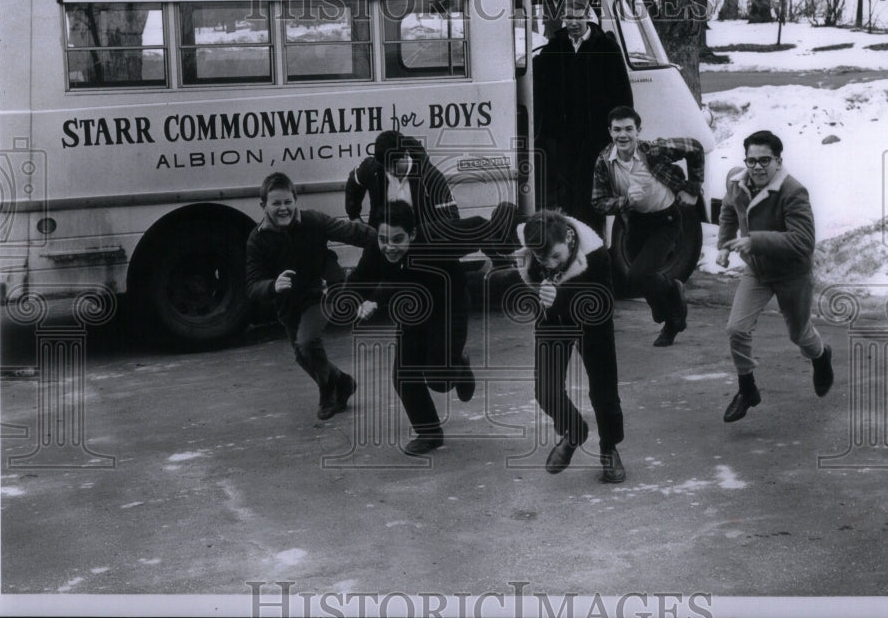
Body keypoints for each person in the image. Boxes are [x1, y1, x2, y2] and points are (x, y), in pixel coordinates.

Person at [344, 200, 518, 456]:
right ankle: (429, 433)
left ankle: (458, 366)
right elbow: (358, 282)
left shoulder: (437, 237)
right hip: (412, 310)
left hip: (449, 305)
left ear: (413, 234)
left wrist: (505, 233)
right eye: (383, 239)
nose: (389, 247)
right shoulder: (375, 249)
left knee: (439, 380)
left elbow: (480, 226)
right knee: (403, 375)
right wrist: (357, 302)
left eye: (397, 239)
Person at [716, 130, 833, 422]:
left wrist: (755, 240)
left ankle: (821, 356)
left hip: (792, 274)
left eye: (764, 160)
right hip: (757, 270)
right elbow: (729, 210)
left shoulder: (794, 192)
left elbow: (803, 242)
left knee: (799, 334)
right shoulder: (737, 181)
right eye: (751, 160)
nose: (756, 167)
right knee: (736, 329)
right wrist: (723, 245)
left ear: (778, 161)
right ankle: (747, 389)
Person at [246, 172, 377, 422]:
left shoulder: (313, 221)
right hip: (287, 302)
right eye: (276, 203)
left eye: (288, 202)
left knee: (307, 343)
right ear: (263, 206)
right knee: (301, 355)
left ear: (296, 201)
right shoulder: (257, 240)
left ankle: (327, 391)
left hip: (320, 292)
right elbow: (252, 285)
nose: (283, 208)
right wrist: (272, 286)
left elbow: (350, 231)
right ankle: (342, 380)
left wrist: (386, 239)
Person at [513, 209, 625, 484]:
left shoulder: (595, 252)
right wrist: (537, 290)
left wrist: (561, 297)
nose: (550, 264)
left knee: (604, 390)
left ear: (568, 238)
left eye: (556, 257)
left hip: (593, 321)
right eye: (542, 258)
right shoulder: (532, 247)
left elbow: (604, 304)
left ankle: (609, 448)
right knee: (546, 390)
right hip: (553, 318)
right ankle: (574, 431)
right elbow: (529, 281)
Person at [591, 106, 705, 347]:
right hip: (635, 222)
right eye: (617, 130)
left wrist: (693, 189)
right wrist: (625, 201)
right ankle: (671, 296)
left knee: (638, 273)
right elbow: (598, 202)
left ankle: (671, 319)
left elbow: (694, 147)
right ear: (609, 132)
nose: (623, 135)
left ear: (638, 131)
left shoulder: (653, 150)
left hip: (666, 219)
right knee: (639, 277)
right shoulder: (604, 161)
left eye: (629, 129)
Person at [532, 0, 632, 232]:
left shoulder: (606, 47)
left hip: (595, 136)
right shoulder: (556, 46)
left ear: (588, 17)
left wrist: (620, 132)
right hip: (564, 136)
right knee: (566, 191)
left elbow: (622, 92)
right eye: (569, 17)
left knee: (592, 192)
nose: (574, 23)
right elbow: (538, 74)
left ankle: (594, 245)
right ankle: (573, 240)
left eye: (578, 17)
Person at [345, 130, 459, 229]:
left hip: (418, 241)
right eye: (386, 166)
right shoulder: (371, 168)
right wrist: (354, 217)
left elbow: (451, 217)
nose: (391, 171)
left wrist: (428, 238)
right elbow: (353, 182)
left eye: (394, 165)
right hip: (381, 242)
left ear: (406, 154)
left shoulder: (430, 176)